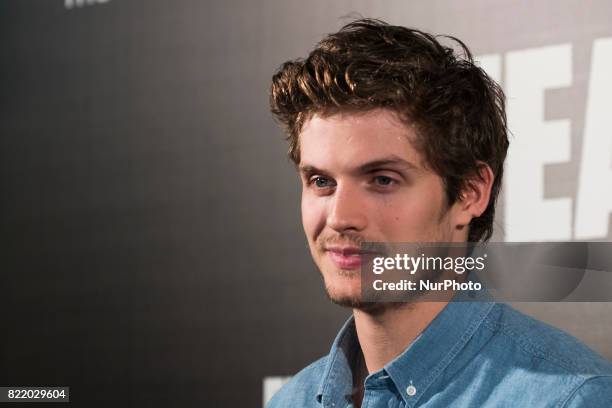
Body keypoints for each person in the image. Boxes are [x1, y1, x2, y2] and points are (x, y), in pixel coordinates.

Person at [266, 18, 612, 407]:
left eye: (382, 180)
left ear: (470, 192)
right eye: (321, 182)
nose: (339, 217)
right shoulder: (291, 401)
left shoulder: (569, 399)